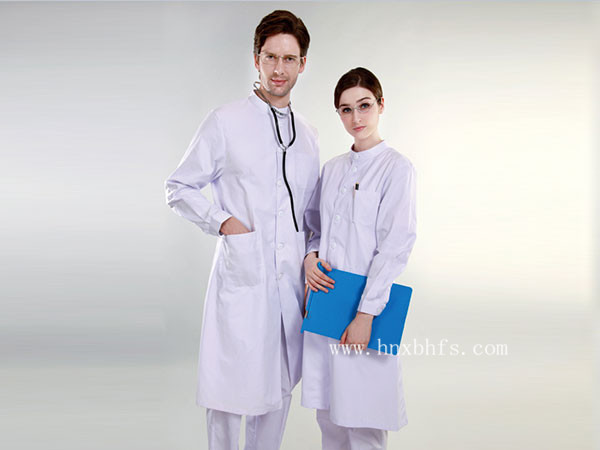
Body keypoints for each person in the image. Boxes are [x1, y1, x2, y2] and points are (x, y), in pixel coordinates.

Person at [164, 10, 320, 450]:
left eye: (289, 59)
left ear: (302, 64)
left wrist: (312, 253)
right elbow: (178, 187)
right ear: (256, 59)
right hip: (243, 277)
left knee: (279, 391)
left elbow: (311, 215)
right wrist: (224, 223)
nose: (278, 69)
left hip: (291, 286)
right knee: (228, 393)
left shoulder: (309, 136)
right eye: (270, 57)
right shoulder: (225, 121)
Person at [301, 67, 417, 449]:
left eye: (364, 105)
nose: (356, 118)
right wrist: (310, 258)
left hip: (367, 308)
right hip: (327, 302)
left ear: (381, 105)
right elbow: (315, 228)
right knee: (329, 416)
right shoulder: (333, 169)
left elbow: (395, 245)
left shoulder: (396, 168)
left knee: (365, 420)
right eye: (346, 109)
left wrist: (366, 314)